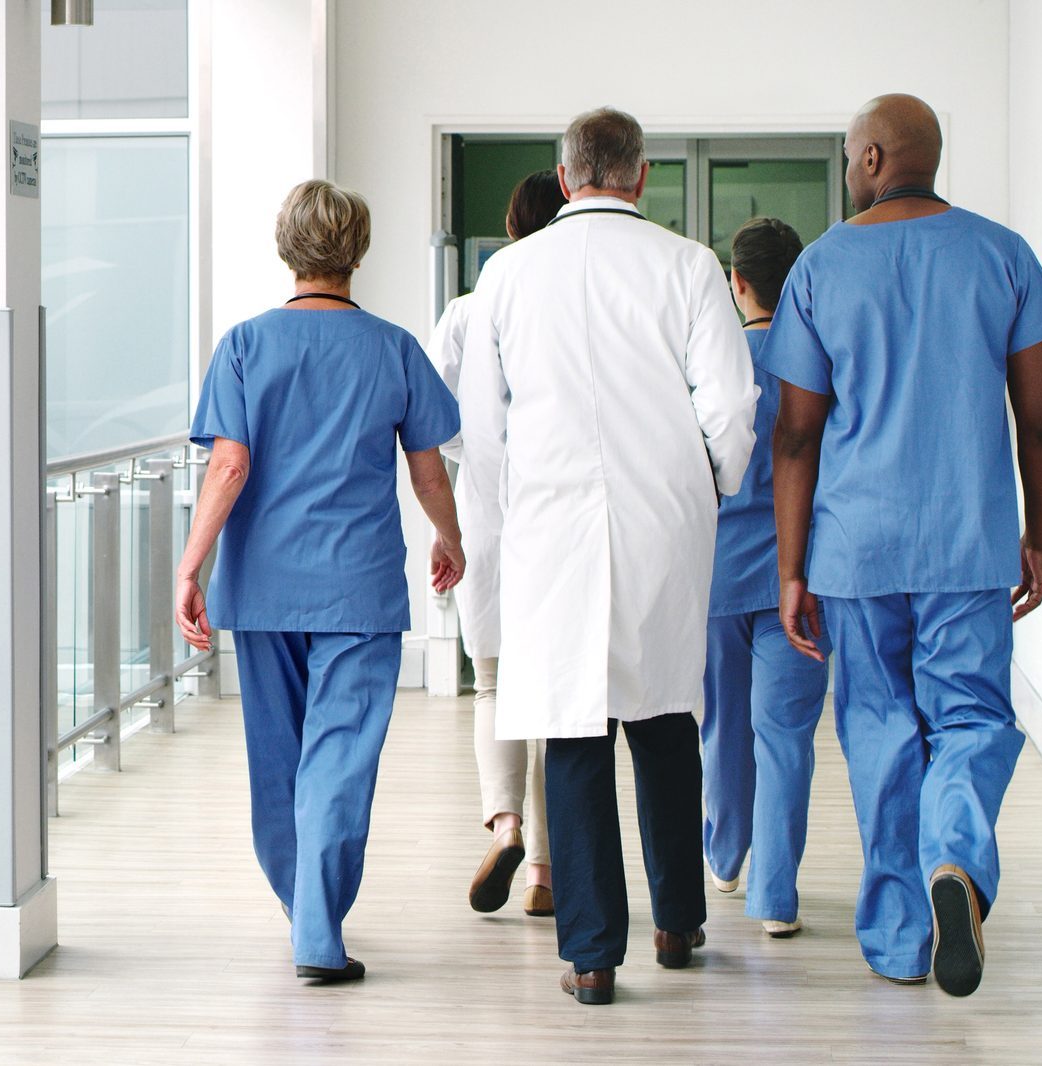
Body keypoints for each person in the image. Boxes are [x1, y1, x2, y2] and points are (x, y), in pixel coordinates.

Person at [759, 94, 1042, 997]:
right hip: (968, 540)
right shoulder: (1002, 255)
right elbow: (1039, 423)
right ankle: (956, 867)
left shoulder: (820, 267)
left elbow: (793, 436)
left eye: (851, 154)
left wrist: (789, 567)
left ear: (871, 158)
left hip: (857, 550)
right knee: (969, 720)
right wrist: (1037, 533)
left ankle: (899, 940)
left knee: (879, 730)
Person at [459, 107, 757, 1006]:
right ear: (641, 174)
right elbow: (731, 405)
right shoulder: (688, 265)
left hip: (550, 528)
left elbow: (481, 422)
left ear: (563, 172)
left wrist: (517, 510)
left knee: (574, 732)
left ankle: (591, 957)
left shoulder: (505, 275)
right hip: (664, 516)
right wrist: (707, 487)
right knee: (666, 719)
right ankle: (677, 922)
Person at [174, 179, 466, 985]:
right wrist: (449, 538)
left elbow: (228, 465)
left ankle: (307, 916)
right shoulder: (393, 347)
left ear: (285, 250)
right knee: (338, 759)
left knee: (278, 760)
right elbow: (429, 471)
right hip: (359, 587)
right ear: (358, 253)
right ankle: (317, 927)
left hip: (264, 585)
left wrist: (189, 563)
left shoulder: (243, 344)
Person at [427, 169, 567, 918]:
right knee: (557, 704)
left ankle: (505, 824)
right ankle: (545, 872)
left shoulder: (463, 312)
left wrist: (480, 455)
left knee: (493, 683)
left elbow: (434, 417)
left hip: (485, 513)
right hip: (561, 520)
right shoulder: (570, 308)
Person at [700, 217, 831, 939]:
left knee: (722, 725)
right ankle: (775, 897)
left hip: (716, 576)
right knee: (784, 733)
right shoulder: (815, 366)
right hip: (800, 577)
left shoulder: (715, 367)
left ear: (737, 281)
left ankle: (723, 855)